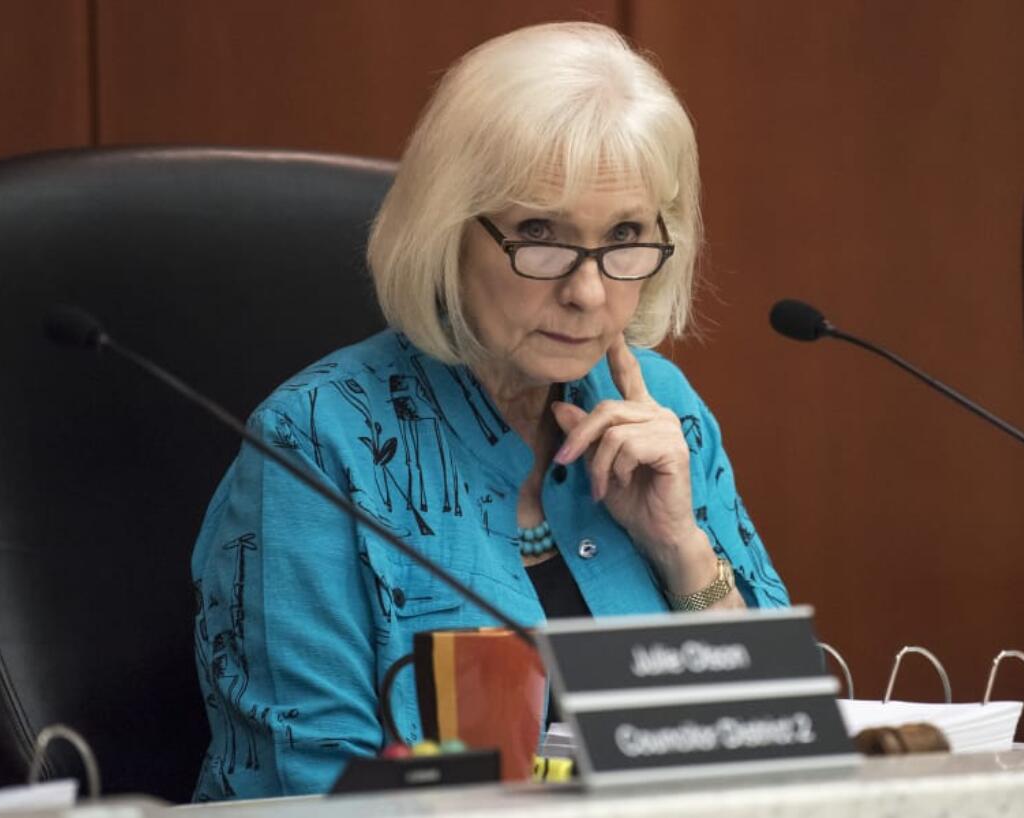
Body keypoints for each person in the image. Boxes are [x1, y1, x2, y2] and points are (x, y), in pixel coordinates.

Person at [190, 21, 788, 800]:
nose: (588, 291)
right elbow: (311, 793)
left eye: (626, 236)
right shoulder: (316, 445)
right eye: (541, 234)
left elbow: (785, 750)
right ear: (448, 230)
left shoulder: (660, 408)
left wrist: (683, 551)